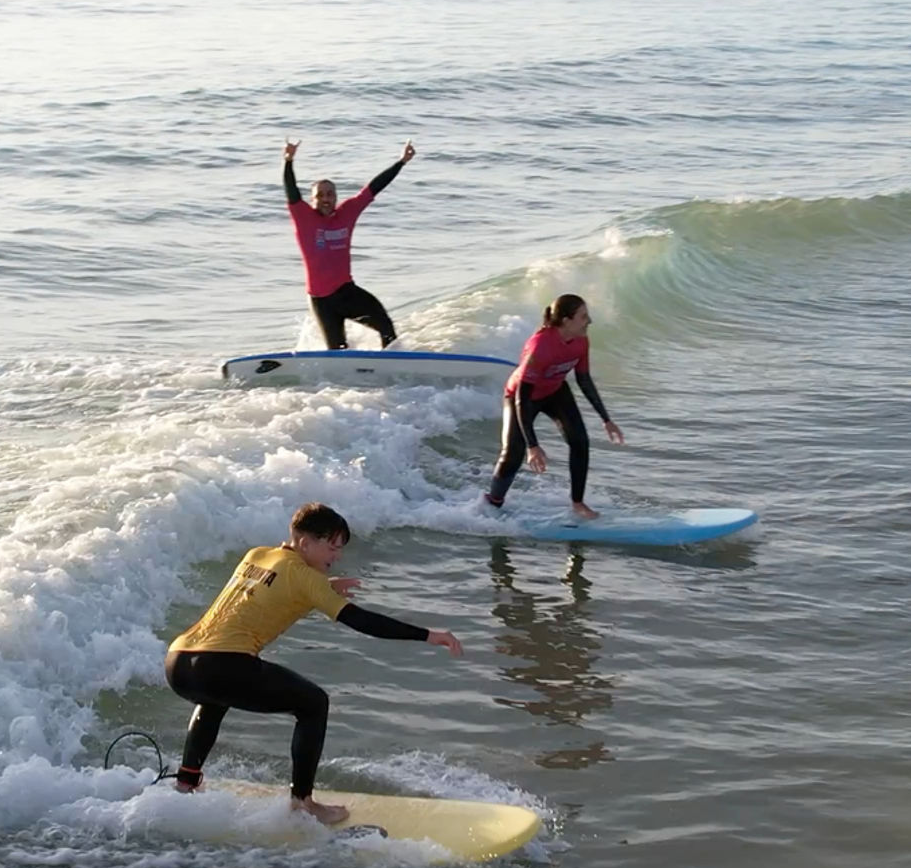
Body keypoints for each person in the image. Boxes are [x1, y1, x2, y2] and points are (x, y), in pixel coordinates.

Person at [165, 502, 463, 826]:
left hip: (180, 661)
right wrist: (428, 635)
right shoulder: (305, 577)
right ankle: (303, 803)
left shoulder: (256, 555)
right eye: (331, 548)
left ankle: (186, 781)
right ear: (306, 542)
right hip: (221, 664)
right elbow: (361, 621)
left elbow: (269, 591)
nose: (335, 557)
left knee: (214, 698)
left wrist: (327, 588)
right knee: (314, 703)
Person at [484, 294, 627, 519]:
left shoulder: (581, 340)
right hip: (522, 397)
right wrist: (533, 446)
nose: (589, 321)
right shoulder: (540, 346)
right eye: (583, 316)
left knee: (580, 441)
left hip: (554, 390)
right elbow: (523, 396)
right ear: (566, 321)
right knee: (513, 453)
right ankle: (493, 502)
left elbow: (584, 379)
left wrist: (606, 419)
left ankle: (578, 504)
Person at [282, 139, 415, 349]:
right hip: (320, 301)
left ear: (336, 197)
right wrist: (288, 161)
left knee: (386, 328)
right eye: (320, 195)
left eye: (330, 194)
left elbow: (373, 188)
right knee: (337, 351)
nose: (326, 199)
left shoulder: (347, 212)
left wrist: (402, 162)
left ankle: (390, 366)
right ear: (313, 200)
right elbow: (291, 191)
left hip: (346, 292)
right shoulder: (303, 216)